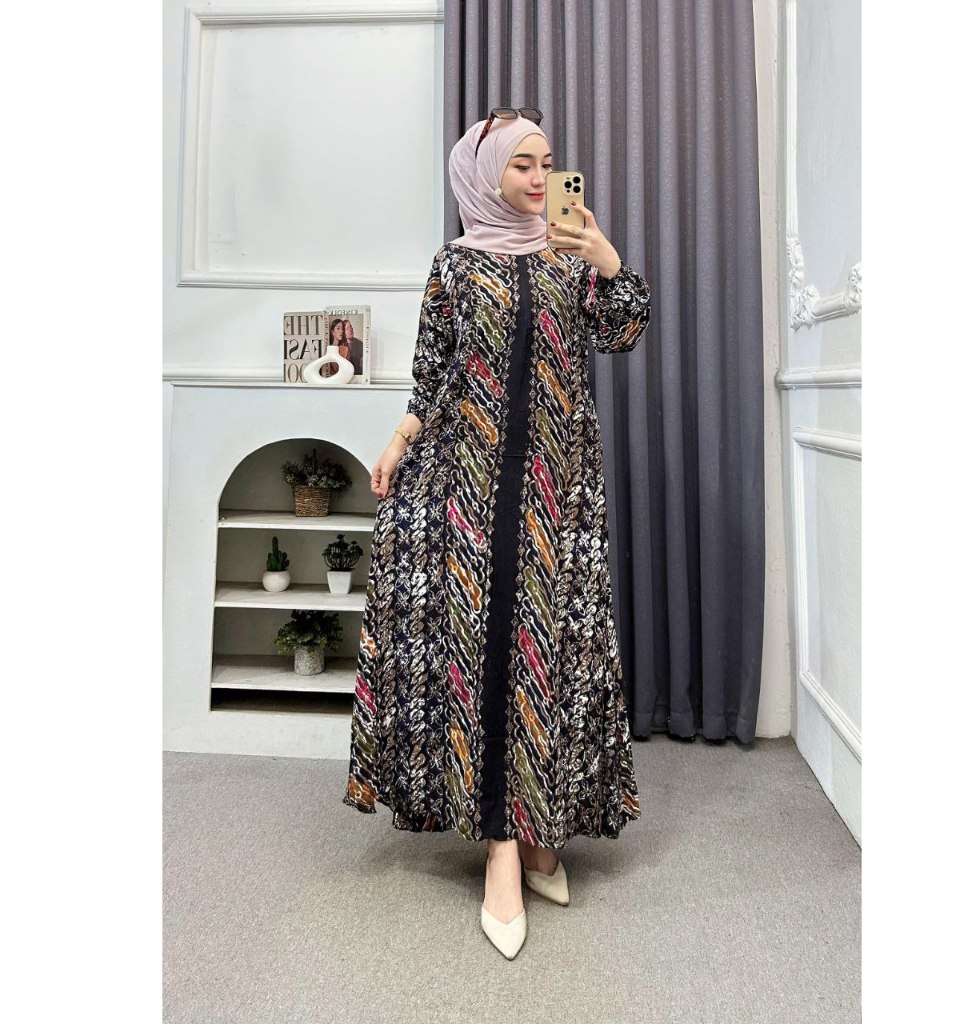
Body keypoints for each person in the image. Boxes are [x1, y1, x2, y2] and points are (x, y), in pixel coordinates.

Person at [342, 108, 652, 959]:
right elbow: (433, 372)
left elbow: (622, 332)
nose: (540, 178)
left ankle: (542, 827)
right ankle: (503, 849)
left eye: (547, 163)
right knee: (479, 653)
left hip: (559, 489)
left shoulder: (568, 255)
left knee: (548, 655)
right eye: (522, 165)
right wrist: (399, 440)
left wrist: (605, 257)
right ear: (484, 175)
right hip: (466, 484)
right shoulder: (455, 265)